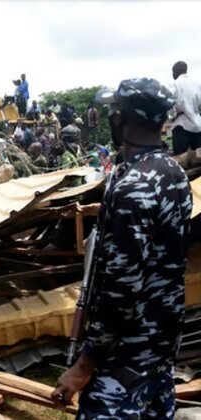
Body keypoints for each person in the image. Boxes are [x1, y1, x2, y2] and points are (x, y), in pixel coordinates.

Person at [52, 78, 190, 419]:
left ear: (123, 119)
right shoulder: (172, 172)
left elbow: (122, 289)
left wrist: (84, 365)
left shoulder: (134, 189)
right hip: (162, 338)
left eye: (114, 111)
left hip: (126, 348)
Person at [170, 61, 201, 156]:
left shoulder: (175, 84)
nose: (172, 74)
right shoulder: (198, 84)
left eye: (172, 72)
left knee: (180, 158)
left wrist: (172, 116)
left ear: (175, 71)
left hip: (181, 124)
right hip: (198, 125)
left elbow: (170, 105)